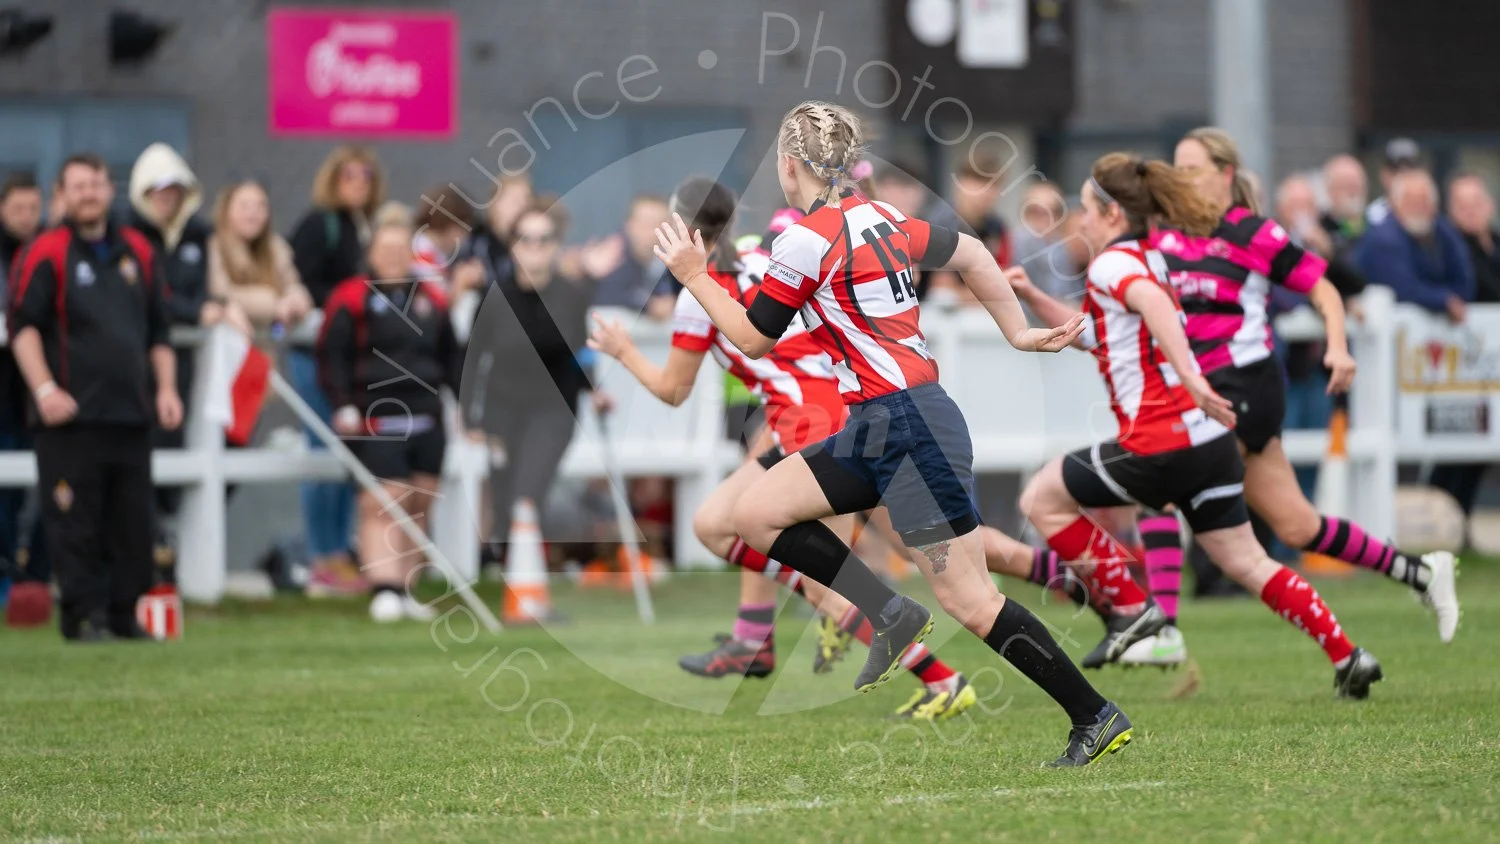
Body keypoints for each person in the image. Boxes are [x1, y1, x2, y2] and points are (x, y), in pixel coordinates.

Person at [653, 101, 1129, 768]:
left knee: (971, 599)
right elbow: (970, 253)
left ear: (790, 167)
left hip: (906, 425)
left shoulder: (804, 238)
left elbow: (754, 339)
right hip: (880, 424)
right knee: (755, 513)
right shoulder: (882, 219)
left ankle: (1094, 715)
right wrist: (1016, 331)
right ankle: (889, 612)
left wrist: (695, 276)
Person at [1013, 129, 1460, 666]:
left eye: (1193, 167)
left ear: (1226, 173)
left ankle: (1155, 626)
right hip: (1198, 402)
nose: (1182, 178)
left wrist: (1337, 347)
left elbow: (1320, 287)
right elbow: (1106, 330)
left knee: (1159, 485)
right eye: (1175, 169)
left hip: (1237, 389)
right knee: (1288, 529)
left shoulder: (1244, 232)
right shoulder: (1162, 243)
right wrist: (1035, 297)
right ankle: (1389, 605)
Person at [589, 177, 978, 721]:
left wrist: (624, 350)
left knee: (825, 578)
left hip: (811, 420)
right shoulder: (758, 256)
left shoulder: (699, 293)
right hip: (829, 408)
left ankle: (942, 678)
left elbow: (673, 390)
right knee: (725, 525)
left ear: (678, 231)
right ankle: (756, 637)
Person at [6, 152, 184, 640]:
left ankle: (124, 615)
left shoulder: (138, 252)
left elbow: (159, 331)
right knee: (74, 524)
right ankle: (82, 614)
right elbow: (22, 328)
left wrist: (166, 389)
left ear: (110, 190)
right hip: (70, 418)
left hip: (130, 414)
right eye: (78, 185)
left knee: (132, 525)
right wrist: (44, 389)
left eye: (96, 183)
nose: (89, 193)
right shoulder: (46, 251)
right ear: (62, 194)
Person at [319, 205, 462, 622]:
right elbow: (333, 356)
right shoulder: (351, 297)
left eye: (401, 247)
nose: (394, 254)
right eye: (387, 247)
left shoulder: (432, 298)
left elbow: (452, 357)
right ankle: (382, 586)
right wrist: (342, 403)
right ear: (373, 250)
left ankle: (406, 588)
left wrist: (467, 410)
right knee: (384, 501)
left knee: (419, 502)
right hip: (374, 417)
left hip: (427, 416)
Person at [468, 201, 613, 570]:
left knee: (527, 492)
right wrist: (470, 417)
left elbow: (582, 352)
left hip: (554, 408)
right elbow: (470, 360)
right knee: (504, 495)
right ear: (514, 245)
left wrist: (594, 390)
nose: (536, 247)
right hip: (502, 409)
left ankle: (528, 582)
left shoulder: (572, 295)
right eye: (526, 239)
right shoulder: (495, 297)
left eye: (545, 239)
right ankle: (510, 569)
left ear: (556, 245)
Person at [286, 146, 384, 597]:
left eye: (365, 174)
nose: (358, 181)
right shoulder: (319, 223)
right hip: (315, 356)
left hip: (349, 360)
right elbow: (299, 283)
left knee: (348, 452)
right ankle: (322, 554)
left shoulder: (362, 227)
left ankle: (340, 551)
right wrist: (349, 298)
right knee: (321, 448)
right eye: (349, 174)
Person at [1428, 174, 1500, 530]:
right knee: (1458, 446)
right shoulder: (1451, 249)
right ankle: (1445, 524)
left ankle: (1462, 524)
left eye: (1476, 202)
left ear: (1490, 204)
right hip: (1467, 365)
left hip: (1492, 367)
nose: (1471, 211)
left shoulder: (1495, 243)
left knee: (1484, 448)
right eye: (1462, 205)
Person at [0, 172, 48, 620]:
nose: (27, 218)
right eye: (18, 210)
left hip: (33, 396)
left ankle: (32, 579)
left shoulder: (46, 250)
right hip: (5, 395)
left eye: (34, 209)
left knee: (42, 491)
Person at [1356, 169, 1474, 322]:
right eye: (1410, 201)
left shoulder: (1443, 231)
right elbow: (1402, 287)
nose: (1418, 208)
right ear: (1394, 203)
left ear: (1434, 206)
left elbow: (1465, 281)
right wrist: (1444, 299)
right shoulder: (1383, 238)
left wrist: (1450, 298)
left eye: (1424, 201)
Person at [206, 179, 312, 337]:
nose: (253, 213)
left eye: (261, 206)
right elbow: (221, 293)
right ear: (227, 210)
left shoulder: (276, 247)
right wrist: (273, 304)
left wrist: (294, 300)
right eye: (244, 206)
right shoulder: (214, 247)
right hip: (230, 340)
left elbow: (292, 282)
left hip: (268, 343)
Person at [920, 154, 1012, 306]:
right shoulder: (939, 224)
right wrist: (993, 293)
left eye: (993, 184)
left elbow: (1005, 280)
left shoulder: (997, 227)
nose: (986, 191)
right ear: (960, 183)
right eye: (979, 182)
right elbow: (943, 292)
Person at [591, 193, 672, 317]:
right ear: (629, 224)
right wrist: (648, 305)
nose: (651, 232)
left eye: (658, 224)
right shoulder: (613, 254)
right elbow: (607, 295)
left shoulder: (671, 259)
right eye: (645, 223)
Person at [1012, 180, 1082, 304]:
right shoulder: (1013, 245)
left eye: (1053, 211)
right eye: (1035, 211)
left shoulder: (1063, 249)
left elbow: (1071, 294)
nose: (1045, 219)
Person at [1366, 138, 1423, 227]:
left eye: (1410, 169)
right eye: (1395, 170)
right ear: (1383, 174)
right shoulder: (1372, 216)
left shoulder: (1428, 214)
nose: (1402, 176)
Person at [1320, 154, 1369, 253]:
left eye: (1357, 186)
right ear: (1330, 190)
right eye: (1346, 187)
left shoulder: (1374, 223)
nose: (1353, 193)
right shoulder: (1319, 228)